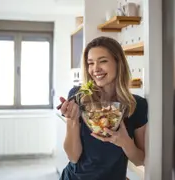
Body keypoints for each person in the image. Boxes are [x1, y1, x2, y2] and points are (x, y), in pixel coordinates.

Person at [58, 36, 148, 180]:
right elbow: (73, 157)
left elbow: (140, 160)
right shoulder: (78, 96)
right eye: (90, 63)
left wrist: (125, 141)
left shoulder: (136, 105)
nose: (95, 69)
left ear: (118, 63)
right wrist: (72, 120)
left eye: (103, 61)